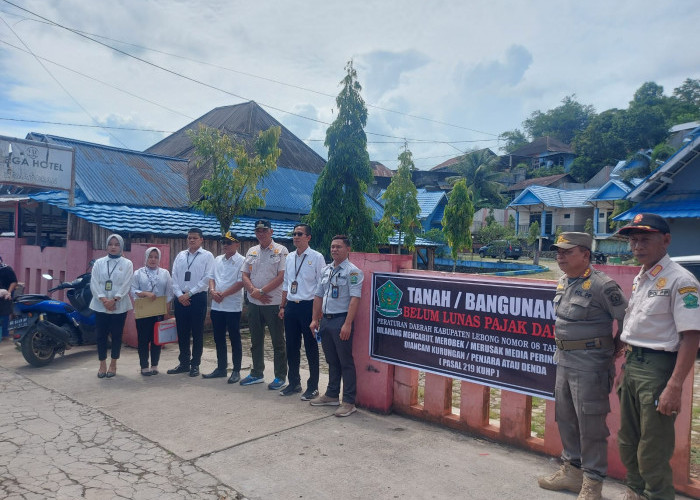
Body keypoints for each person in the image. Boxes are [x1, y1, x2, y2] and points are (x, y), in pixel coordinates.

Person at [616, 214, 700, 500]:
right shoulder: (643, 277)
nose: (637, 246)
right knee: (628, 440)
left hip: (658, 369)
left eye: (645, 239)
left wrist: (675, 385)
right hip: (633, 364)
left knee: (653, 447)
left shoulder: (682, 281)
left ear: (666, 240)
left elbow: (691, 336)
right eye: (633, 240)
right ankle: (635, 492)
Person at [538, 232, 627, 500]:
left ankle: (593, 482)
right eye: (558, 252)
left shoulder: (603, 286)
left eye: (567, 252)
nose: (560, 256)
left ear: (585, 255)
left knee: (591, 424)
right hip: (564, 360)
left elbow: (628, 320)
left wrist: (614, 347)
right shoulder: (565, 281)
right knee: (566, 419)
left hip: (591, 365)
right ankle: (572, 472)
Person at [309, 234, 363, 417]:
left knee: (345, 362)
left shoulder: (353, 272)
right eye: (332, 246)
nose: (334, 249)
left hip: (341, 320)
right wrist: (315, 319)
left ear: (348, 250)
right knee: (331, 360)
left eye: (338, 247)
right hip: (326, 321)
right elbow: (318, 295)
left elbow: (355, 299)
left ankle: (349, 402)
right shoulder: (326, 270)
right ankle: (332, 395)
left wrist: (347, 324)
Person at [278, 224, 326, 399]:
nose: (296, 237)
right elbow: (286, 283)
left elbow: (321, 287)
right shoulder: (290, 257)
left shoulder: (317, 257)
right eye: (294, 234)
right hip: (291, 305)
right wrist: (282, 306)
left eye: (300, 234)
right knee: (291, 346)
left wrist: (317, 314)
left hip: (308, 306)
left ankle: (313, 386)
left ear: (308, 237)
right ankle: (294, 382)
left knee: (311, 347)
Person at [241, 219, 288, 389]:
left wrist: (261, 292)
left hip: (273, 303)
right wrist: (254, 291)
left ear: (271, 232)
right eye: (258, 231)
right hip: (254, 303)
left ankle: (280, 376)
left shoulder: (280, 250)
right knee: (255, 341)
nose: (261, 234)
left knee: (278, 342)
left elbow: (282, 276)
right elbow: (244, 275)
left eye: (264, 230)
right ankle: (256, 373)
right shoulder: (252, 250)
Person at [168, 228, 215, 378]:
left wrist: (190, 294)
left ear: (201, 240)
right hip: (180, 297)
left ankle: (195, 365)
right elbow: (173, 276)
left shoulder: (207, 256)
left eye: (195, 238)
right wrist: (179, 295)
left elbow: (207, 278)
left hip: (198, 298)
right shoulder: (181, 255)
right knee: (182, 332)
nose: (192, 240)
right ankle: (183, 363)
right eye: (189, 238)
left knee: (197, 332)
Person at [203, 231, 245, 383]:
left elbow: (241, 282)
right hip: (217, 305)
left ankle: (236, 370)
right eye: (223, 242)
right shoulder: (217, 259)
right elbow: (211, 277)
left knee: (234, 338)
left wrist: (224, 294)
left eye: (229, 242)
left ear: (237, 244)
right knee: (218, 338)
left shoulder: (242, 260)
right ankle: (221, 368)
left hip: (232, 305)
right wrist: (213, 291)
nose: (225, 245)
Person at [89, 234, 133, 378]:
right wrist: (103, 300)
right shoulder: (99, 263)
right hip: (100, 305)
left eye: (116, 244)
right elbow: (94, 282)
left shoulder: (127, 264)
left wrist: (114, 300)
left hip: (119, 306)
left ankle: (113, 363)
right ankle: (102, 364)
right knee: (101, 335)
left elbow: (127, 284)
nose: (113, 247)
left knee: (116, 335)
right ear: (107, 246)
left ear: (121, 246)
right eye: (110, 244)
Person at [131, 247, 173, 376]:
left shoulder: (164, 273)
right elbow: (133, 290)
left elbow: (169, 291)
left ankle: (155, 365)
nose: (153, 259)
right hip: (143, 312)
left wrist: (166, 308)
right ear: (146, 258)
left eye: (156, 257)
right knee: (143, 339)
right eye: (150, 256)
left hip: (158, 311)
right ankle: (144, 366)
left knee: (156, 339)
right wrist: (144, 293)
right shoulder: (138, 273)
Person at [0, 256, 17, 341]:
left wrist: (9, 292)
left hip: (6, 294)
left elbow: (13, 282)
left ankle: (4, 334)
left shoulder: (7, 269)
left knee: (5, 314)